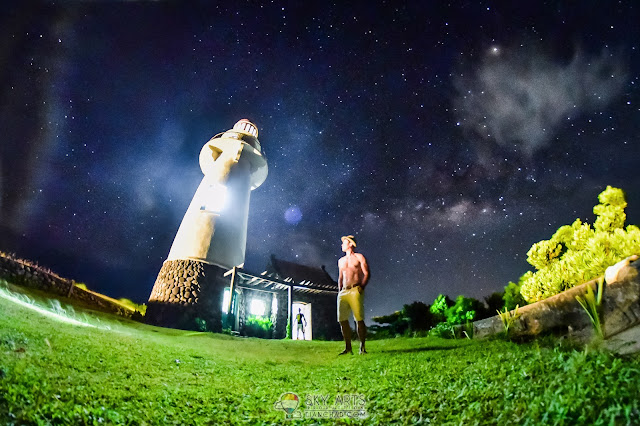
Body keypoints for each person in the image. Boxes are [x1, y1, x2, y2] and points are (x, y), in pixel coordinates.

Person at [337, 235, 370, 355]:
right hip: (343, 292)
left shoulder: (359, 257)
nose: (342, 245)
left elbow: (366, 273)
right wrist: (339, 290)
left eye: (344, 243)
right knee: (342, 320)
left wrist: (362, 286)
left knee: (359, 319)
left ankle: (362, 347)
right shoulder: (340, 261)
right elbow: (340, 277)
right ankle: (348, 348)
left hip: (355, 289)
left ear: (350, 244)